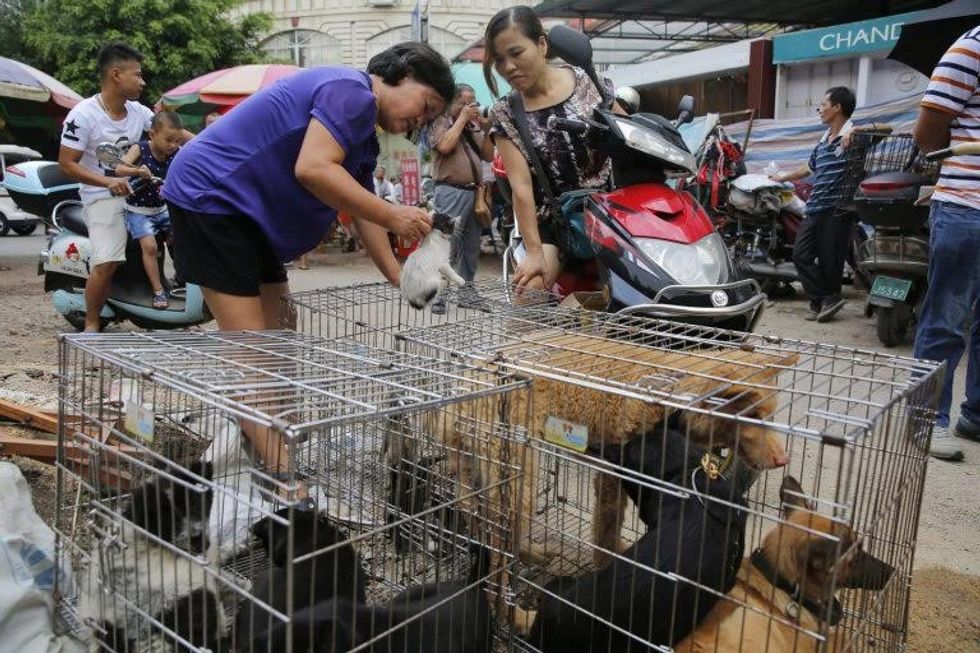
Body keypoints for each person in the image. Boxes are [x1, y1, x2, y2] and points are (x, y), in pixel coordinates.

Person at [162, 42, 452, 477]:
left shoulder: (363, 134)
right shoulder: (352, 92)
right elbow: (314, 169)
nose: (419, 121)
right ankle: (285, 484)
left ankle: (276, 435)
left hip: (247, 214)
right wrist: (396, 215)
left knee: (283, 327)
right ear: (401, 72)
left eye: (428, 119)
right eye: (425, 104)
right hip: (212, 198)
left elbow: (361, 207)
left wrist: (401, 278)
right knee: (253, 350)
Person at [484, 6, 620, 290]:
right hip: (556, 221)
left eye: (516, 53)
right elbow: (521, 188)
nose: (508, 67)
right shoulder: (504, 113)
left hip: (614, 211)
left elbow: (629, 136)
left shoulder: (588, 82)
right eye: (499, 60)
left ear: (542, 44)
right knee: (527, 295)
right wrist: (534, 254)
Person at [58, 42, 191, 332]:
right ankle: (92, 322)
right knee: (107, 260)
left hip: (143, 196)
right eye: (138, 75)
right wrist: (108, 182)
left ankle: (171, 297)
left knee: (185, 233)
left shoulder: (140, 113)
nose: (142, 82)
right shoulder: (83, 115)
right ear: (116, 74)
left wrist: (213, 144)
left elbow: (177, 136)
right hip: (101, 197)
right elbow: (67, 164)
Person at [909, 25, 980, 462]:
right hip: (967, 207)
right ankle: (925, 420)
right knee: (947, 321)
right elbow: (927, 134)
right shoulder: (972, 46)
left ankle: (974, 416)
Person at [770, 86, 857, 323]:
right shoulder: (823, 140)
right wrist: (783, 177)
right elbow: (810, 168)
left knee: (831, 260)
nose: (820, 109)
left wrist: (857, 132)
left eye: (824, 104)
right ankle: (827, 297)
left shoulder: (854, 136)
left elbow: (882, 130)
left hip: (837, 209)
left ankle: (820, 303)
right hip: (815, 207)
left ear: (837, 107)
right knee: (801, 255)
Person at [113, 110, 184, 309]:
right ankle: (158, 290)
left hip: (162, 208)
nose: (173, 145)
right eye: (168, 140)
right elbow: (119, 168)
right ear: (152, 134)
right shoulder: (141, 148)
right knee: (150, 247)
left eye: (177, 141)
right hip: (139, 210)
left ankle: (182, 281)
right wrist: (137, 170)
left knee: (185, 238)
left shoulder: (177, 153)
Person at [429, 83, 494, 284]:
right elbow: (445, 146)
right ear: (452, 101)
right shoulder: (439, 122)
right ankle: (439, 294)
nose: (470, 107)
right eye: (465, 103)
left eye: (473, 102)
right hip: (450, 191)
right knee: (448, 244)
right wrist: (463, 118)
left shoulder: (473, 126)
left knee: (470, 246)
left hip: (474, 193)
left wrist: (487, 130)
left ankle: (467, 291)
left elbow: (489, 156)